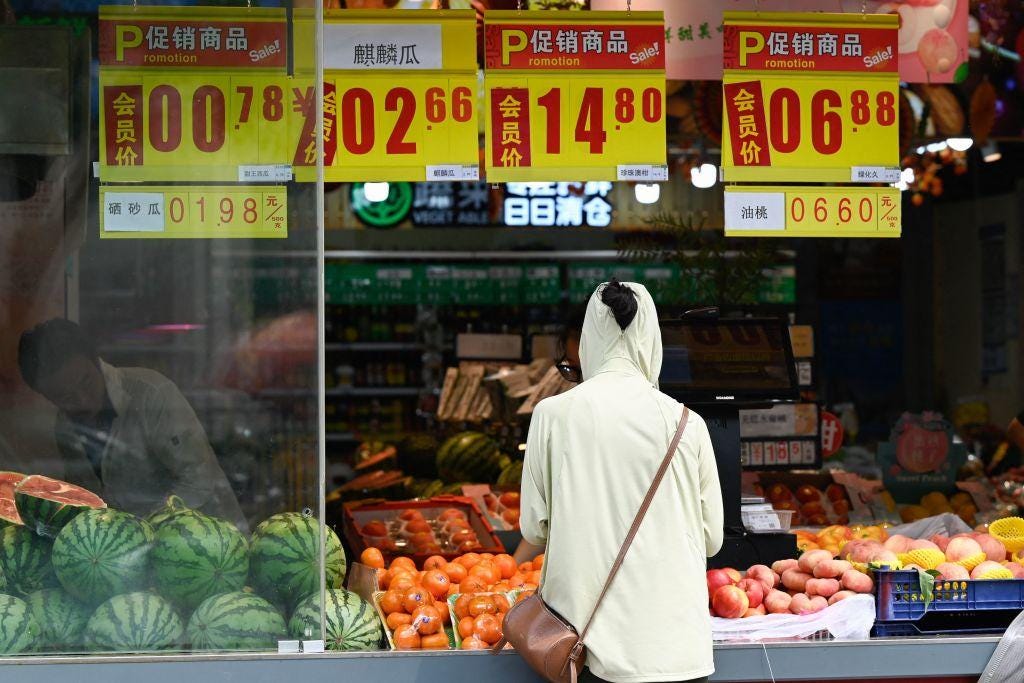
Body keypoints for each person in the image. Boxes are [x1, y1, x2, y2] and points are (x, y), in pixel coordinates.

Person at [519, 280, 724, 683]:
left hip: (587, 649)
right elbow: (711, 539)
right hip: (678, 651)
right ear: (653, 337)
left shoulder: (552, 415)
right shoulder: (688, 423)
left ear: (588, 337)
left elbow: (533, 529)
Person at [18, 319, 247, 530]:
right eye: (65, 397)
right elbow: (85, 499)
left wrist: (145, 528)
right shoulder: (64, 426)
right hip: (130, 556)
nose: (82, 400)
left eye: (86, 382)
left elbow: (198, 478)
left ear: (96, 362)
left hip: (206, 538)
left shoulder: (151, 394)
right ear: (47, 397)